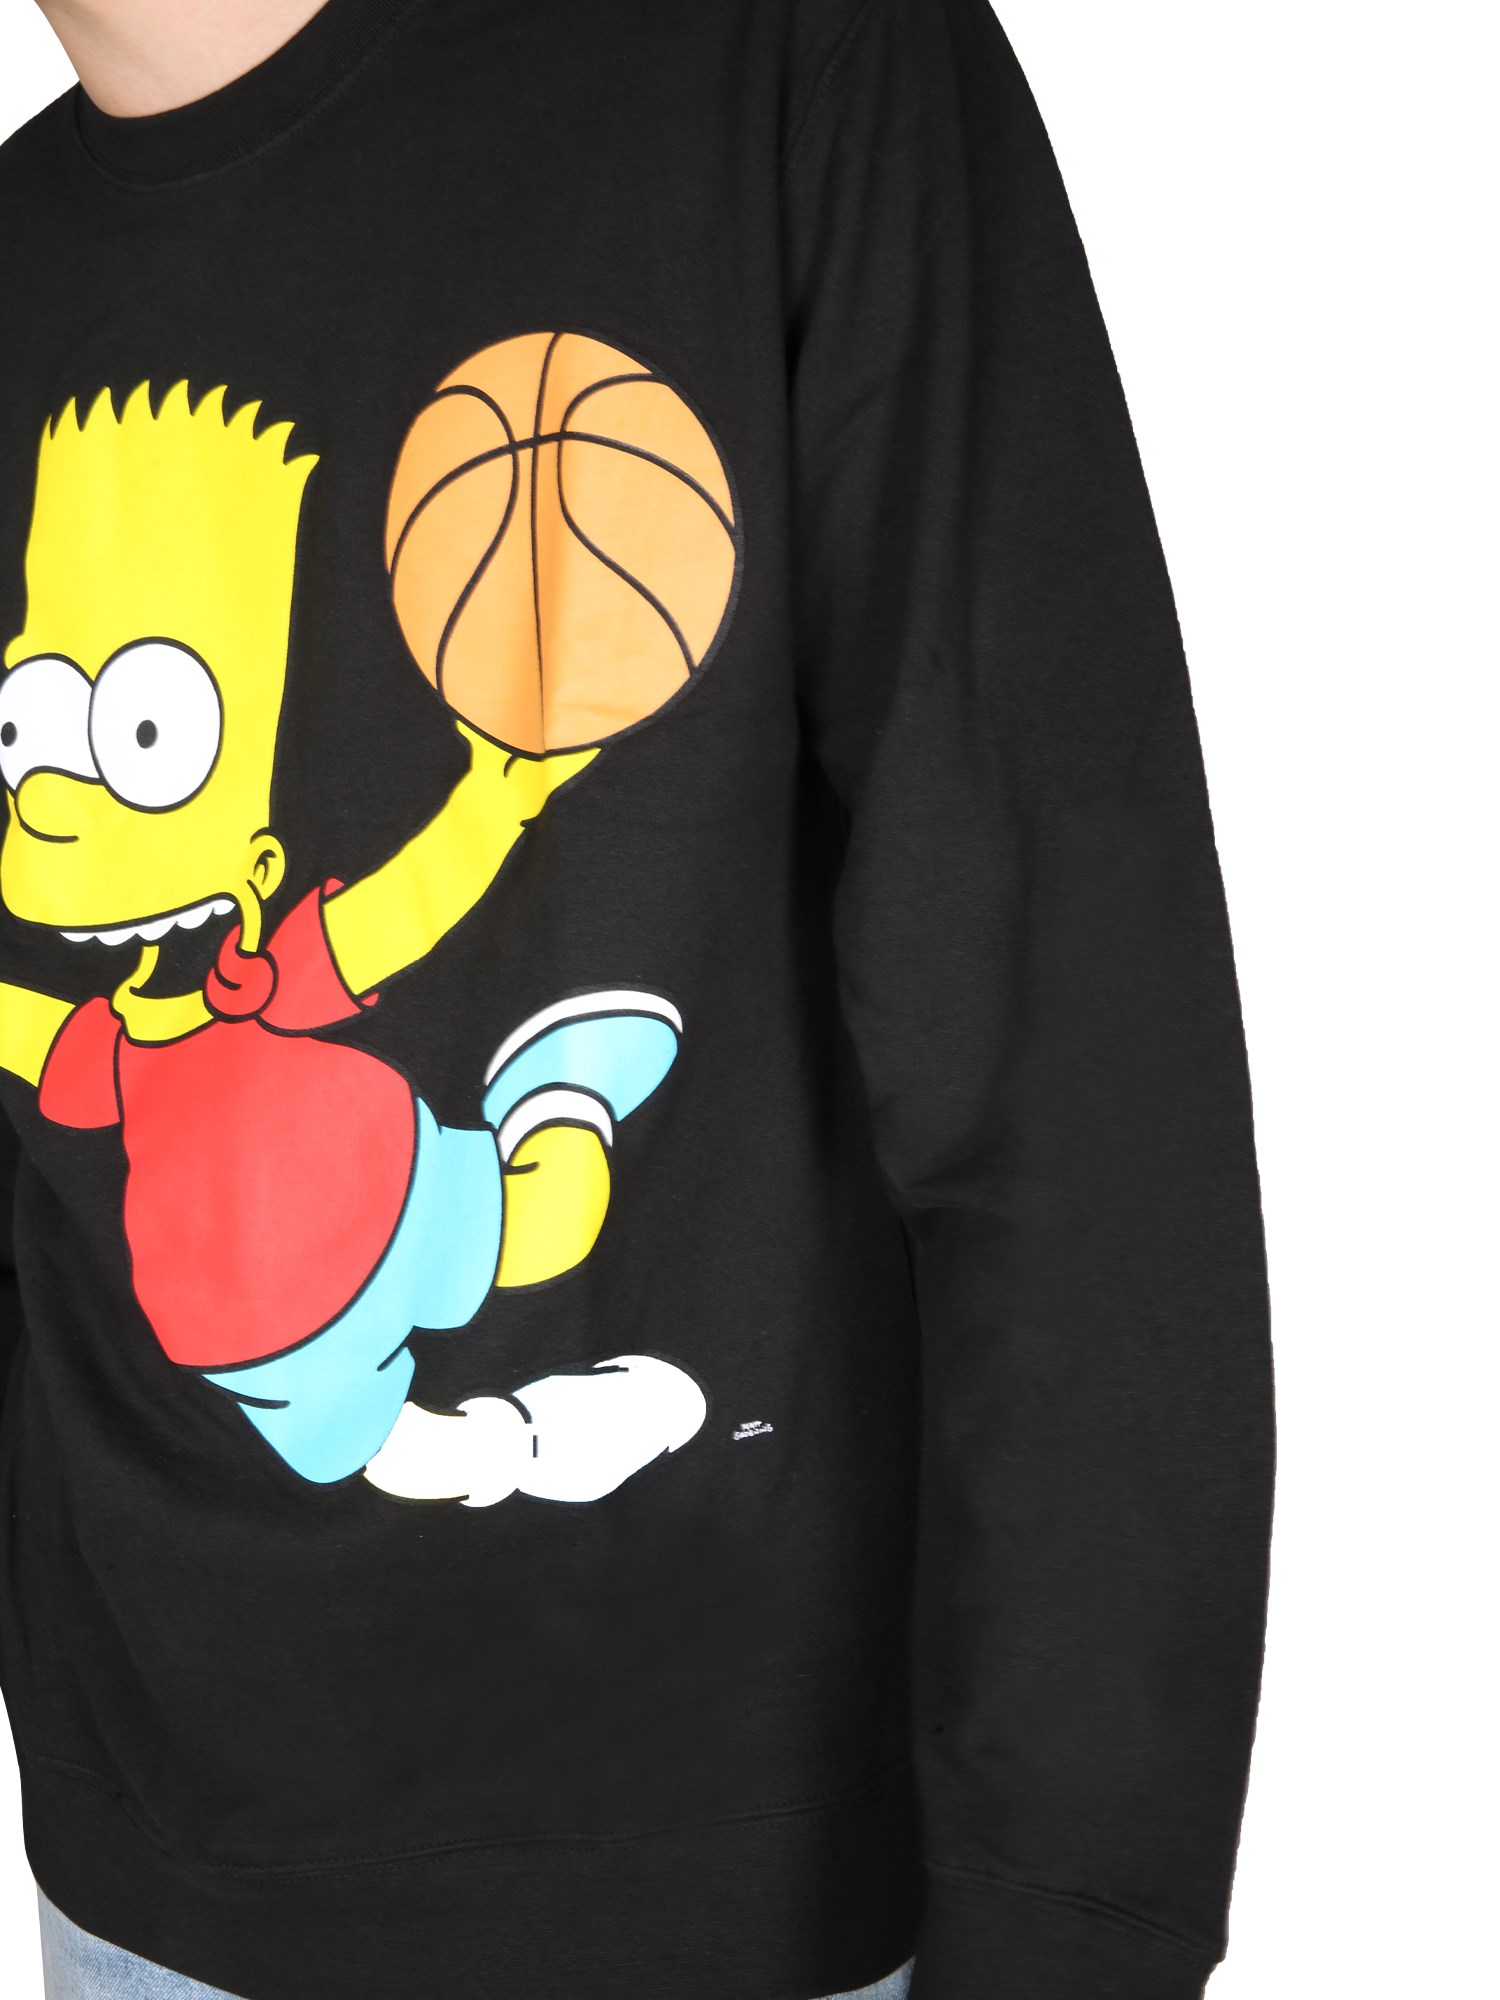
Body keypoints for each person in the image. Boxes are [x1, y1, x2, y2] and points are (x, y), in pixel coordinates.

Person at [0, 0, 1274, 1996]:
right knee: (382, 1406)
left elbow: (1073, 1059)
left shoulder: (781, 59)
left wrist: (1072, 1921)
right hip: (141, 1894)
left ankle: (559, 1114)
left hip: (713, 1908)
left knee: (507, 1202)